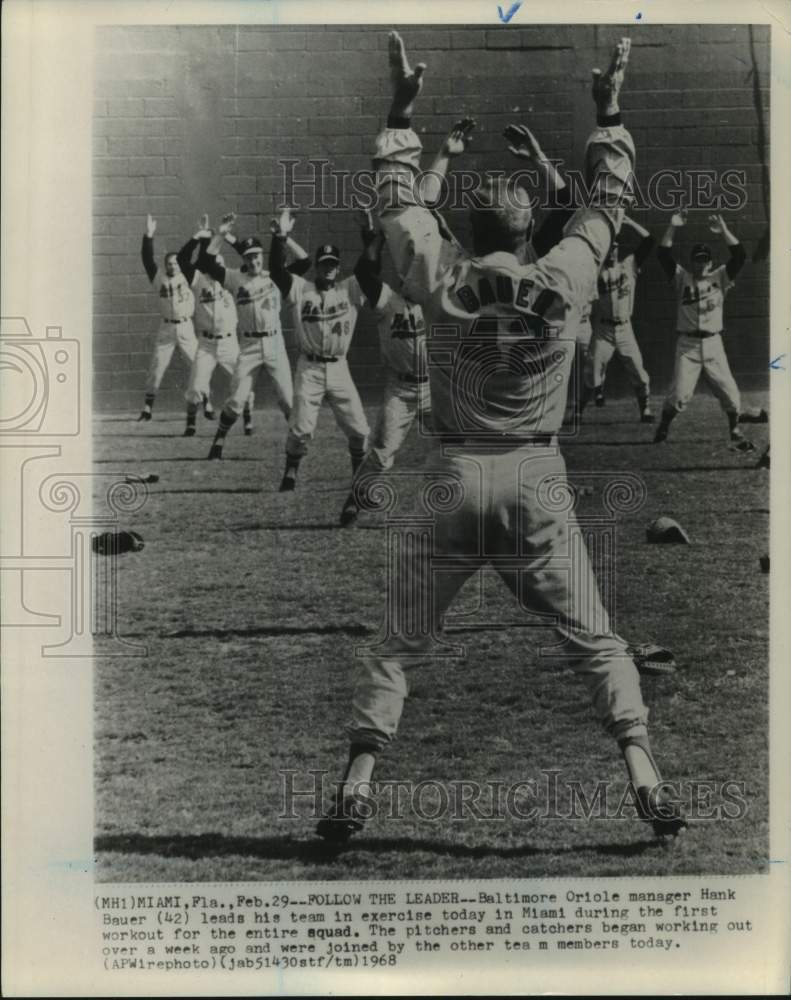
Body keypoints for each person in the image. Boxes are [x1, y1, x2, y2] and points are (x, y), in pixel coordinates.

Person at [317, 34, 686, 844]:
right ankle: (643, 772)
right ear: (527, 237)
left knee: (397, 642)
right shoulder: (563, 275)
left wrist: (401, 112)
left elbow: (392, 198)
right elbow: (605, 200)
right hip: (535, 474)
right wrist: (609, 108)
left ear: (470, 226)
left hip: (451, 470)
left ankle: (356, 781)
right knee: (593, 639)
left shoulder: (439, 273)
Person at [338, 211, 430, 527]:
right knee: (381, 452)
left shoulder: (439, 302)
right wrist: (372, 237)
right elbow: (365, 272)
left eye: (420, 272)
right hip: (401, 389)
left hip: (436, 386)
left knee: (461, 446)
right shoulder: (389, 299)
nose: (414, 277)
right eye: (410, 272)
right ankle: (355, 498)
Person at [268, 210, 371, 493]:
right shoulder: (301, 289)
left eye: (332, 264)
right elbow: (277, 271)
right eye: (323, 264)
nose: (328, 268)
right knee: (300, 429)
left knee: (360, 430)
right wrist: (280, 238)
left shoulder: (350, 288)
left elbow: (369, 267)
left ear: (338, 268)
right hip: (309, 367)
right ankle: (291, 469)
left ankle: (358, 476)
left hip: (339, 366)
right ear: (316, 266)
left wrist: (368, 233)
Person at [201, 215, 310, 460]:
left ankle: (296, 446)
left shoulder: (275, 276)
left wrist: (285, 236)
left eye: (257, 255)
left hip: (274, 343)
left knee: (287, 401)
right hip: (249, 345)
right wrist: (220, 235)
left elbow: (304, 262)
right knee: (236, 402)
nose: (253, 260)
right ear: (244, 258)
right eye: (249, 256)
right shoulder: (234, 278)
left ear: (262, 255)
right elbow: (208, 263)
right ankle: (219, 440)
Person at [653, 211, 757, 447]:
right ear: (692, 262)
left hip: (713, 343)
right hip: (687, 345)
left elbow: (740, 255)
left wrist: (724, 230)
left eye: (705, 260)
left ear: (711, 262)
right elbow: (662, 254)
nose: (701, 264)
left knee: (729, 392)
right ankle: (664, 427)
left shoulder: (720, 276)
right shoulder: (682, 278)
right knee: (679, 395)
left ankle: (735, 429)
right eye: (697, 260)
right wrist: (672, 226)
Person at [177, 214, 248, 437]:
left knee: (242, 382)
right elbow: (182, 259)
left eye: (218, 262)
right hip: (206, 343)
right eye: (212, 262)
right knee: (196, 388)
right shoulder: (198, 280)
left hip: (229, 341)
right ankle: (190, 424)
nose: (215, 265)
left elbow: (248, 256)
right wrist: (199, 236)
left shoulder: (233, 278)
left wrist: (228, 237)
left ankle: (248, 421)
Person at [579, 216, 655, 422]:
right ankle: (578, 412)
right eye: (608, 248)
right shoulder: (595, 270)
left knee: (638, 372)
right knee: (592, 373)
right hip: (603, 329)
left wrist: (630, 223)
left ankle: (645, 410)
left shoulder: (629, 264)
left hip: (625, 328)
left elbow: (649, 240)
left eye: (615, 247)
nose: (612, 251)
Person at [138, 214, 197, 423]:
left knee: (198, 364)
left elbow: (190, 257)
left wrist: (199, 236)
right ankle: (147, 407)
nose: (173, 266)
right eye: (169, 264)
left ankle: (206, 402)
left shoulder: (188, 277)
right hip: (166, 328)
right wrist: (149, 235)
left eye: (175, 263)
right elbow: (146, 259)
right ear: (165, 266)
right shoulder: (159, 278)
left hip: (186, 326)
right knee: (157, 366)